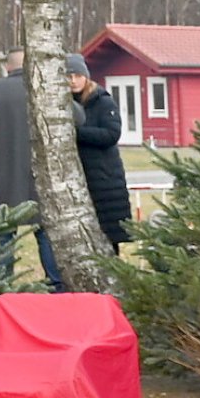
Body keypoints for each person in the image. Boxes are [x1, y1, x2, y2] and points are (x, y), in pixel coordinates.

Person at [0, 49, 54, 286]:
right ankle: (57, 287)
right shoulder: (45, 89)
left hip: (1, 179)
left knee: (3, 236)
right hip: (43, 179)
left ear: (8, 67)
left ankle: (1, 288)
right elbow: (77, 119)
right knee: (46, 235)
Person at [67, 53, 132, 253]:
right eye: (69, 76)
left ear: (86, 76)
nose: (73, 81)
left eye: (78, 76)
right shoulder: (63, 104)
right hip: (82, 176)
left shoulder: (103, 101)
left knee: (108, 236)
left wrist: (77, 133)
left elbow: (111, 134)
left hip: (105, 178)